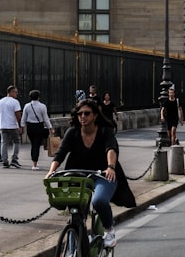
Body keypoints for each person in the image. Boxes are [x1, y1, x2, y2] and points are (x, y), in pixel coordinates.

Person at [48, 99, 135, 248]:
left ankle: (109, 230)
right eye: (80, 114)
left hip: (103, 175)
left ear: (95, 115)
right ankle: (73, 256)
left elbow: (111, 149)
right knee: (76, 213)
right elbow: (60, 153)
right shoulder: (72, 132)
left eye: (87, 113)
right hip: (78, 175)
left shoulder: (104, 131)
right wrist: (51, 171)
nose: (82, 116)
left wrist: (111, 167)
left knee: (99, 201)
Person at [21, 89, 53, 171]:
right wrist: (50, 128)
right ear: (38, 97)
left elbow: (23, 118)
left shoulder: (27, 106)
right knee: (36, 145)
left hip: (30, 127)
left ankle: (34, 162)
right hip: (39, 126)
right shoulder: (42, 106)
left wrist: (22, 127)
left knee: (33, 144)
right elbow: (46, 118)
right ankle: (35, 163)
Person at [0, 85, 23, 168]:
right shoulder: (15, 102)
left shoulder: (1, 101)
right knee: (16, 141)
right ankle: (14, 159)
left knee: (4, 143)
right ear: (11, 92)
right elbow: (18, 115)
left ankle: (4, 161)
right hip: (12, 125)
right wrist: (20, 126)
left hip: (2, 125)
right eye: (15, 92)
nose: (16, 94)